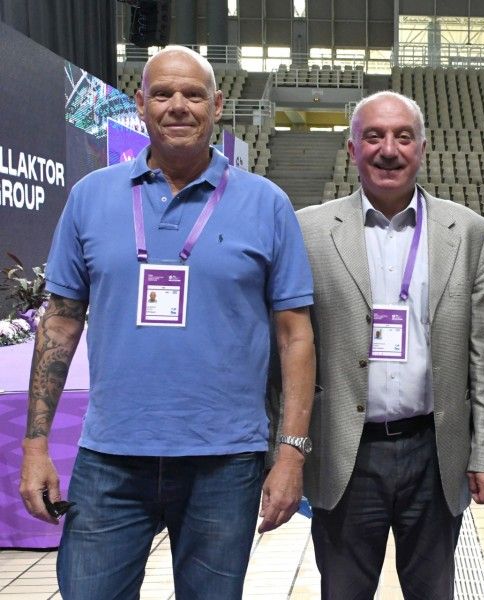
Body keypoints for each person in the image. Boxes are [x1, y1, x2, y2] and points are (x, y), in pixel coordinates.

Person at [18, 46, 316, 599]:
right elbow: (59, 324)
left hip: (225, 461)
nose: (178, 106)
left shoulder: (267, 204)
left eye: (193, 95)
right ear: (140, 104)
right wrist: (36, 447)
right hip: (111, 457)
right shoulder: (89, 197)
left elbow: (295, 336)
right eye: (162, 94)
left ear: (217, 105)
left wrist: (291, 453)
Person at [296, 91, 484, 600]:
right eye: (373, 136)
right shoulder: (309, 230)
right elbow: (288, 347)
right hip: (345, 451)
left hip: (434, 451)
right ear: (353, 149)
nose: (388, 150)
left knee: (433, 591)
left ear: (422, 148)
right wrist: (285, 452)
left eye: (403, 137)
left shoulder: (470, 232)